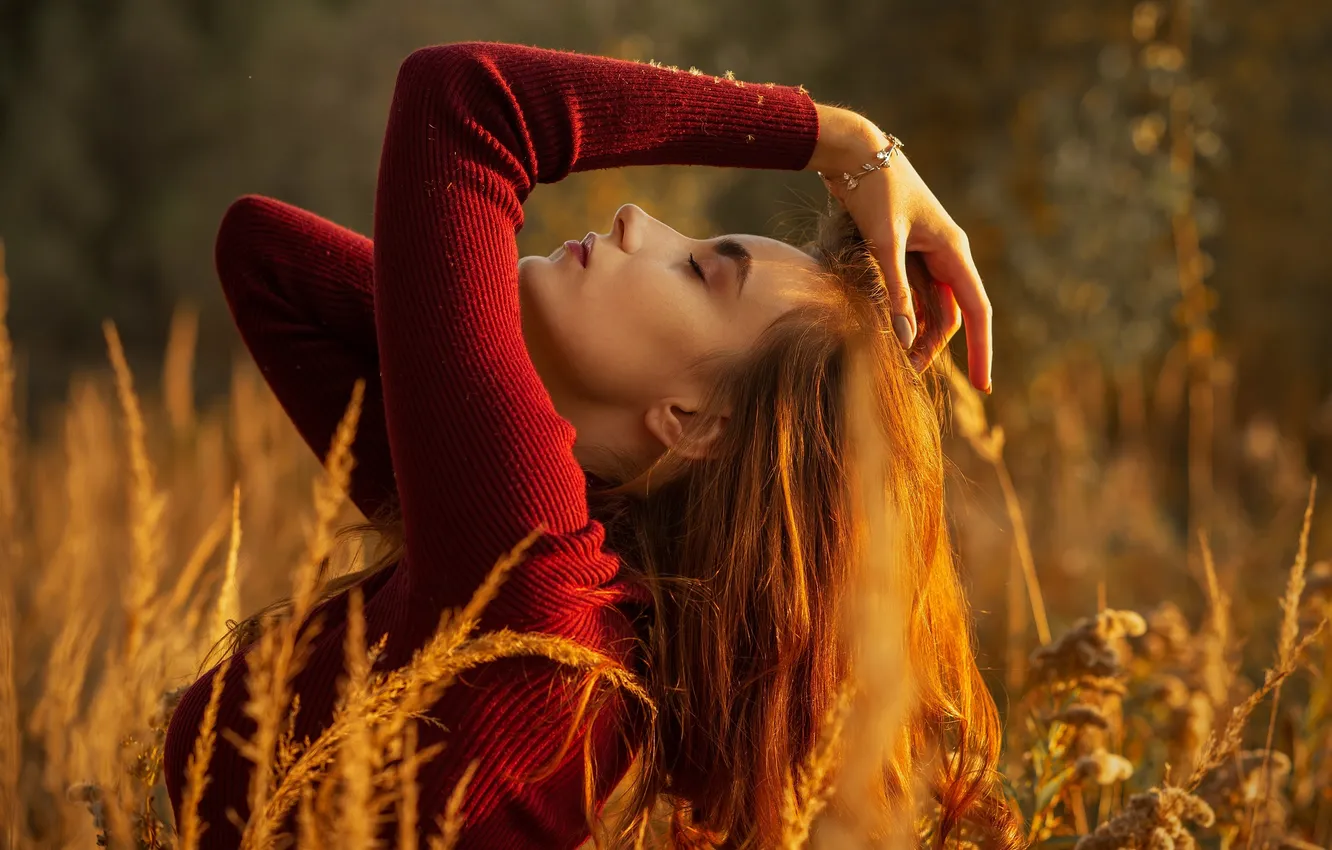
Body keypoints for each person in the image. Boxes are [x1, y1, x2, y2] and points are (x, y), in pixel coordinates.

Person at [162, 40, 1015, 849]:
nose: (636, 219)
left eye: (698, 271)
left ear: (695, 423)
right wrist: (464, 328)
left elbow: (462, 99)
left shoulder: (526, 573)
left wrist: (844, 143)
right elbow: (270, 259)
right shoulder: (531, 575)